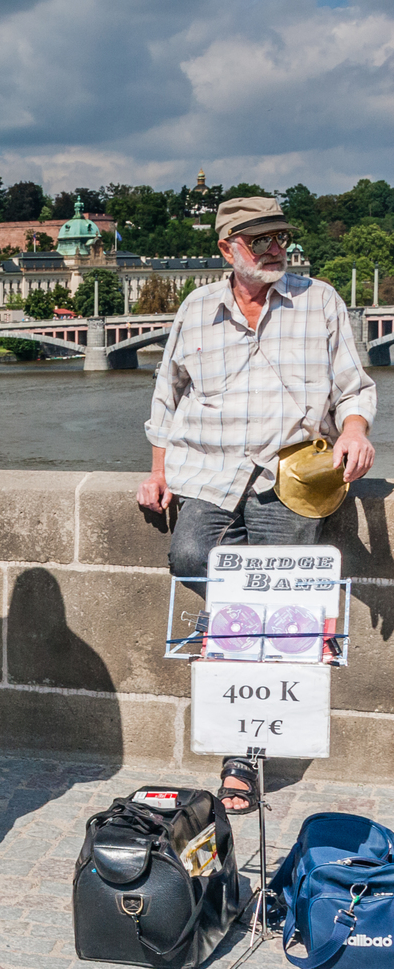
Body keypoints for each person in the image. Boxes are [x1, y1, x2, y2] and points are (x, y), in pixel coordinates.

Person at [137, 196, 376, 815]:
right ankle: (262, 620)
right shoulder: (196, 310)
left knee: (267, 611)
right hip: (210, 474)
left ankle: (243, 759)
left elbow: (355, 385)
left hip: (289, 475)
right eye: (259, 239)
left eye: (280, 237)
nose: (275, 248)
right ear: (227, 249)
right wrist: (157, 473)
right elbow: (167, 398)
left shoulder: (317, 299)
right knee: (191, 555)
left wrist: (354, 431)